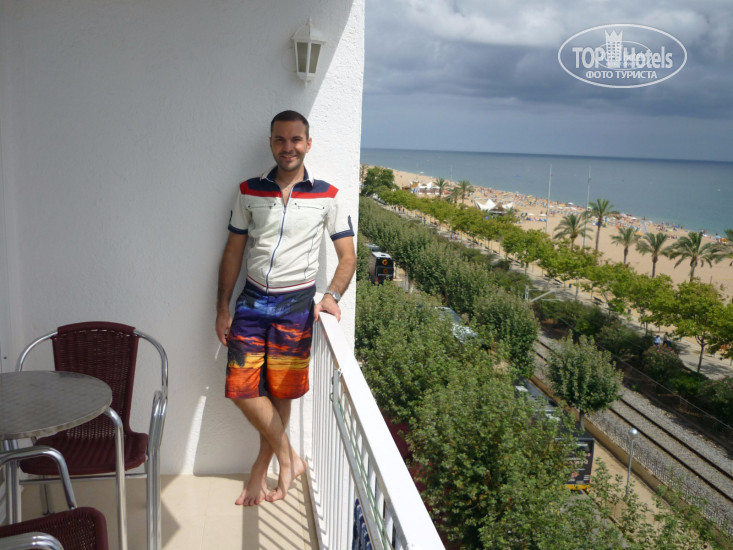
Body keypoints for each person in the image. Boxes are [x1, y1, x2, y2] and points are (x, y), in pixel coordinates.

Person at [215, 110, 356, 506]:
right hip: (252, 301)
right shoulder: (248, 190)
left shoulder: (328, 195)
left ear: (308, 144)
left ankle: (262, 469)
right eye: (280, 139)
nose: (288, 147)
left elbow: (348, 257)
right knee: (242, 388)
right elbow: (233, 252)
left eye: (296, 139)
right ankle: (289, 457)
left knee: (281, 391)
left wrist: (332, 296)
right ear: (271, 143)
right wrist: (222, 308)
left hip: (296, 305)